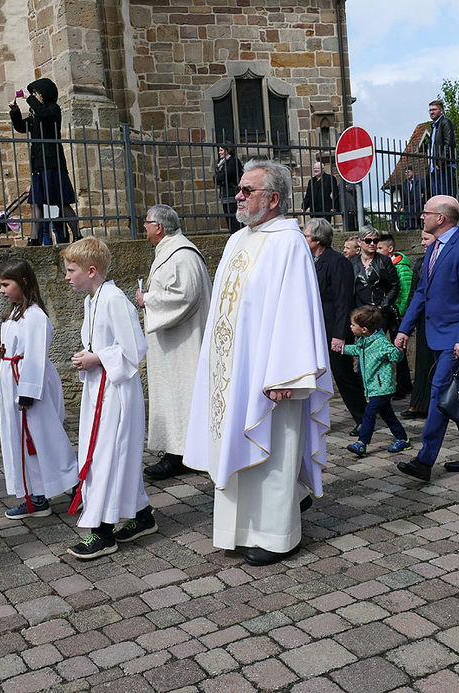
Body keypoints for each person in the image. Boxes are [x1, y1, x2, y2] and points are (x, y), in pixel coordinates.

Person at [183, 159, 331, 567]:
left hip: (270, 374)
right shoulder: (237, 240)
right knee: (234, 441)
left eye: (248, 190)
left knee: (274, 449)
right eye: (240, 189)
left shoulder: (288, 242)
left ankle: (277, 534)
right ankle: (237, 528)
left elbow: (296, 310)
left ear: (274, 199)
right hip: (233, 372)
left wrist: (288, 372)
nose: (239, 195)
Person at [61, 237, 156, 559]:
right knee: (111, 454)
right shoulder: (93, 299)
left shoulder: (114, 299)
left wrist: (96, 357)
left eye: (71, 270)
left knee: (107, 456)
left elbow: (134, 348)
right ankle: (142, 515)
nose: (66, 276)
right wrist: (89, 356)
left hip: (115, 393)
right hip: (98, 389)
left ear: (91, 271)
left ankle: (101, 532)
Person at [394, 195, 459, 481]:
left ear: (441, 218)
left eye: (426, 213)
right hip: (436, 335)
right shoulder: (434, 247)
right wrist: (404, 329)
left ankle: (425, 459)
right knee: (453, 395)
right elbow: (422, 293)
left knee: (438, 393)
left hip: (455, 338)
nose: (422, 217)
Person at [0, 258, 78, 519]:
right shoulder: (13, 314)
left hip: (30, 386)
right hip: (13, 383)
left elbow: (34, 356)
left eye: (6, 284)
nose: (1, 290)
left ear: (24, 283)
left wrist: (27, 392)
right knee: (21, 443)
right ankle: (36, 496)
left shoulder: (35, 317)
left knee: (45, 439)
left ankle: (77, 485)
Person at [135, 204, 212, 480]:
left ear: (160, 227)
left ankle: (180, 454)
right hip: (174, 343)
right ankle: (178, 450)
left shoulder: (182, 255)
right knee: (176, 397)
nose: (144, 227)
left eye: (146, 223)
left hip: (185, 344)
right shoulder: (170, 251)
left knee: (182, 397)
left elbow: (185, 296)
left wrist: (148, 300)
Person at [304, 218, 366, 435]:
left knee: (343, 375)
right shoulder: (311, 260)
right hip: (316, 329)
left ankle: (363, 418)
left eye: (306, 236)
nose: (304, 239)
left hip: (334, 330)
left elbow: (343, 301)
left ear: (318, 239)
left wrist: (339, 335)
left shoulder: (337, 262)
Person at [9, 78, 79, 245]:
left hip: (52, 164)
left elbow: (43, 112)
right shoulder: (37, 114)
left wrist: (28, 98)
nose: (34, 95)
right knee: (37, 203)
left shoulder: (52, 110)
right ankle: (34, 239)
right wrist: (15, 111)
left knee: (60, 201)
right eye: (33, 93)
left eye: (36, 93)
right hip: (39, 165)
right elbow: (21, 127)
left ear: (44, 93)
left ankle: (77, 234)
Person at [341, 306, 411, 457]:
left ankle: (362, 443)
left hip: (382, 387)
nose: (350, 327)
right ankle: (403, 439)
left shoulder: (381, 343)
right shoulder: (364, 341)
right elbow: (357, 351)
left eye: (353, 325)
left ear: (364, 329)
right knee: (388, 415)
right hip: (374, 387)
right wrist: (342, 349)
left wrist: (398, 350)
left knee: (369, 412)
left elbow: (395, 357)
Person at [377, 233, 414, 397]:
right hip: (387, 314)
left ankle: (403, 385)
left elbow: (405, 293)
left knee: (399, 351)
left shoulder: (401, 268)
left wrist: (401, 314)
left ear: (390, 249)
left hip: (397, 315)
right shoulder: (383, 265)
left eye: (380, 248)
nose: (376, 250)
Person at [402, 231, 434, 420]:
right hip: (422, 319)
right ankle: (418, 403)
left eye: (426, 239)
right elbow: (414, 293)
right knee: (421, 362)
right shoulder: (420, 263)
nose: (422, 243)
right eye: (421, 239)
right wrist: (409, 322)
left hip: (438, 319)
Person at [351, 225, 400, 332]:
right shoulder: (352, 263)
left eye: (375, 240)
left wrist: (382, 306)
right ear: (359, 242)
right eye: (368, 240)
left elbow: (395, 285)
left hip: (379, 313)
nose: (372, 244)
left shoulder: (385, 261)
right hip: (359, 313)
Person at [421, 100, 456, 196]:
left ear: (441, 111)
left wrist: (440, 162)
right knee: (438, 197)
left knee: (445, 196)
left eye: (434, 109)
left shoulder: (445, 122)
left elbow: (448, 143)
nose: (431, 112)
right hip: (435, 167)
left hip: (444, 166)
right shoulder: (434, 126)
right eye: (430, 110)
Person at [213, 142, 242, 233]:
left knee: (234, 220)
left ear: (227, 151)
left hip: (232, 194)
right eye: (219, 150)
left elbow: (226, 175)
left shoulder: (233, 161)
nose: (219, 152)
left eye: (221, 150)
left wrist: (220, 177)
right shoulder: (222, 163)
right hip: (225, 195)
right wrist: (219, 177)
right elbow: (216, 178)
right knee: (229, 220)